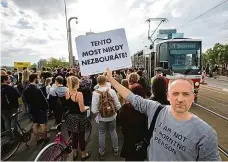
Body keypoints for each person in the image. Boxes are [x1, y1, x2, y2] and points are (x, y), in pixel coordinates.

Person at [105, 68, 221, 161]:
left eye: (186, 94)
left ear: (193, 97)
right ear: (168, 96)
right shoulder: (155, 109)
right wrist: (111, 79)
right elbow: (131, 97)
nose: (180, 99)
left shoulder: (206, 134)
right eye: (175, 93)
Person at [91, 75, 121, 160]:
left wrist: (98, 115)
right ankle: (116, 149)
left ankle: (102, 152)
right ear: (106, 81)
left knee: (101, 134)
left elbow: (94, 109)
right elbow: (117, 104)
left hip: (101, 118)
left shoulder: (95, 93)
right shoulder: (111, 91)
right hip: (112, 116)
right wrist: (117, 113)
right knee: (113, 131)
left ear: (98, 82)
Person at [65, 76, 91, 161]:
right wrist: (87, 107)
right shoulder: (78, 94)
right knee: (81, 136)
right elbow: (81, 109)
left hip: (70, 117)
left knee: (74, 136)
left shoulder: (67, 92)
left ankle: (75, 153)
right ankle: (83, 154)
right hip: (79, 118)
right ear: (76, 83)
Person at [119, 83, 148, 161]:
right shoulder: (146, 109)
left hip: (129, 140)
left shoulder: (125, 108)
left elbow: (119, 122)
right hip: (142, 142)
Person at [22, 74, 49, 145]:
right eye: (38, 78)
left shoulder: (26, 89)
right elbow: (44, 101)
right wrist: (46, 107)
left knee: (35, 124)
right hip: (40, 109)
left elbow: (25, 100)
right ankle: (45, 138)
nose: (38, 79)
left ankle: (38, 139)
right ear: (35, 79)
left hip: (32, 109)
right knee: (43, 125)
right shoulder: (37, 90)